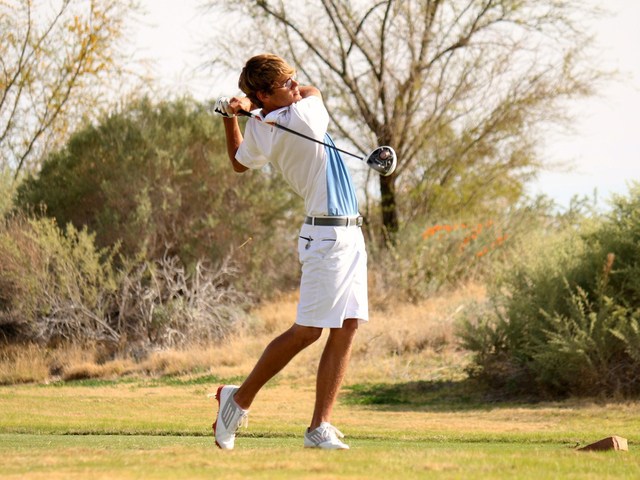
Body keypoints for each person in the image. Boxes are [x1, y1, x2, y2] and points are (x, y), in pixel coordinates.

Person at [211, 53, 368, 450]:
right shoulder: (301, 117)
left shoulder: (266, 126)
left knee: (347, 325)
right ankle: (237, 400)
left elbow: (238, 162)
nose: (297, 87)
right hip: (326, 237)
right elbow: (313, 95)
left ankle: (320, 427)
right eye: (287, 84)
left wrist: (236, 116)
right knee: (308, 331)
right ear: (265, 92)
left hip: (349, 234)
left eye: (294, 79)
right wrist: (253, 110)